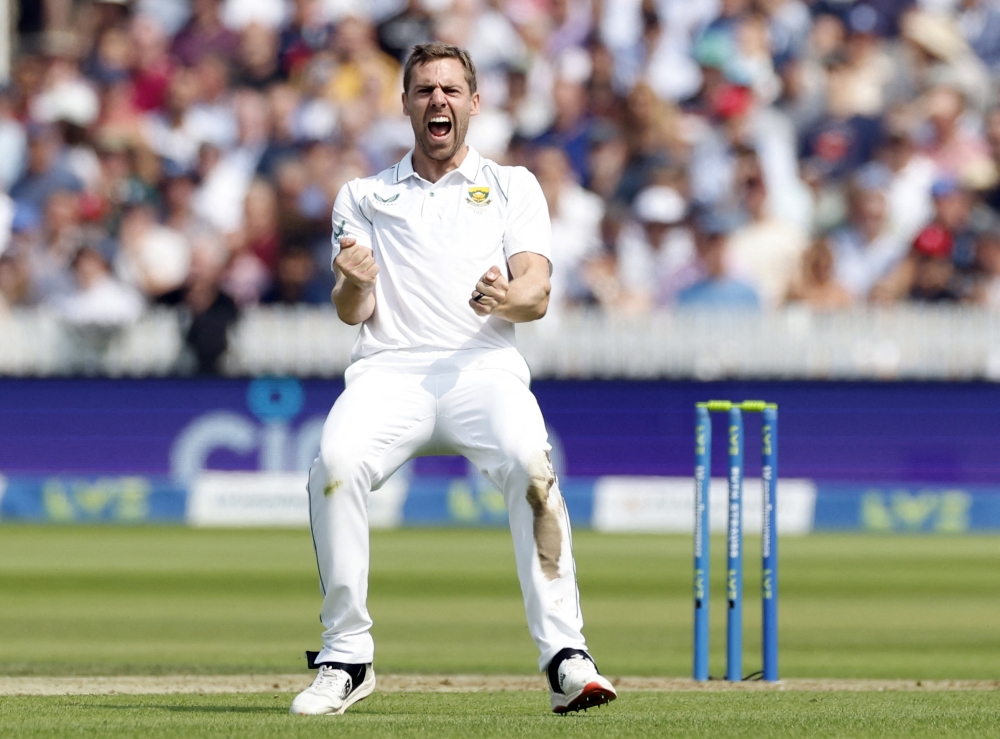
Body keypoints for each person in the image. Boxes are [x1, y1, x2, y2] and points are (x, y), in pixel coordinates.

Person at [290, 43, 616, 717]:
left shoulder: (513, 185)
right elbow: (352, 308)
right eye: (424, 90)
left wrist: (504, 297)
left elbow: (536, 292)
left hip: (483, 369)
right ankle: (346, 654)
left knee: (530, 464)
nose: (437, 100)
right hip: (390, 371)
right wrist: (352, 283)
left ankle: (566, 655)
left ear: (474, 103)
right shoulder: (364, 195)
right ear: (406, 104)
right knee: (335, 465)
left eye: (450, 90)